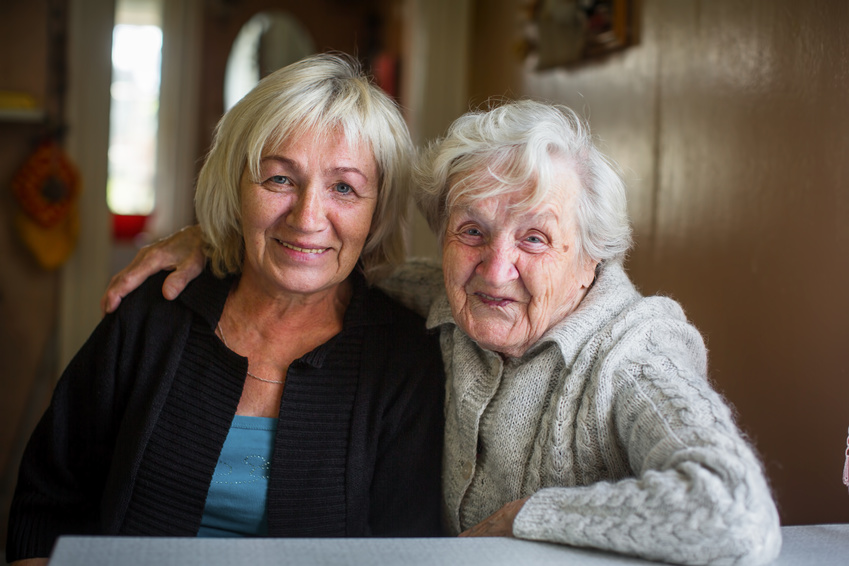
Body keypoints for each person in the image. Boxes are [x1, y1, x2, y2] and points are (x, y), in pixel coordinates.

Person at [100, 100, 782, 565]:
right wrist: (210, 241)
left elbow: (733, 511)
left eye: (536, 237)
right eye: (471, 231)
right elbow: (316, 261)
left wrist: (525, 518)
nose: (496, 267)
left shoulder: (631, 353)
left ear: (591, 255)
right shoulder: (433, 300)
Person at [6, 53, 445, 565]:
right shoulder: (152, 315)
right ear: (237, 186)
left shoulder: (405, 361)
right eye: (279, 179)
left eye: (344, 188)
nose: (307, 218)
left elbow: (407, 551)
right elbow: (46, 505)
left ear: (378, 210)